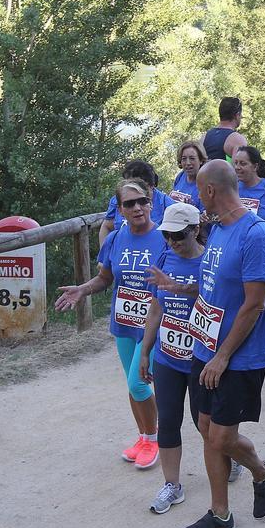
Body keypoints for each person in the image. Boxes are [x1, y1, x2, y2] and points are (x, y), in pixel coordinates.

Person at [148, 160, 265, 528]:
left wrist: (223, 356)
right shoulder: (218, 229)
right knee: (207, 430)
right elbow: (210, 286)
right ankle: (220, 514)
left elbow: (255, 304)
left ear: (209, 191)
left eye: (197, 189)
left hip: (237, 356)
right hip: (204, 348)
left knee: (221, 437)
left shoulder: (256, 234)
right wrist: (177, 287)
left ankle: (262, 471)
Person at [56, 178, 165, 470]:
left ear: (150, 203)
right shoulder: (116, 239)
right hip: (124, 323)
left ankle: (155, 440)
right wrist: (82, 289)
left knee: (138, 384)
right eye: (130, 203)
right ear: (120, 209)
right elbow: (105, 277)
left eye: (142, 201)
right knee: (132, 387)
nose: (138, 207)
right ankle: (143, 437)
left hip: (154, 325)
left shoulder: (165, 238)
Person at [137, 203, 205, 514]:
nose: (173, 240)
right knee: (168, 421)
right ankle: (172, 485)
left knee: (205, 423)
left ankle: (230, 457)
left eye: (179, 234)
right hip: (167, 357)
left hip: (201, 358)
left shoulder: (209, 261)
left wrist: (181, 287)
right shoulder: (165, 257)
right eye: (167, 234)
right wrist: (146, 351)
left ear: (195, 229)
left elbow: (217, 298)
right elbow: (156, 307)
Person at [99, 160, 173, 247]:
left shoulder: (166, 204)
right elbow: (106, 226)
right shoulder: (117, 200)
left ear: (151, 185)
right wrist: (105, 254)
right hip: (122, 254)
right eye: (129, 204)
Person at [234, 145, 265, 220]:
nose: (237, 167)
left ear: (255, 167)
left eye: (243, 163)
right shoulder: (233, 188)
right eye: (236, 163)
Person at [204, 97, 248, 161]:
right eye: (241, 114)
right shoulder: (237, 140)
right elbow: (238, 169)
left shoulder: (204, 137)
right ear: (237, 115)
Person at [171, 140, 206, 210]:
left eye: (192, 158)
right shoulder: (180, 176)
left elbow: (207, 217)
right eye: (184, 159)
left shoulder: (206, 184)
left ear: (201, 160)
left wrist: (190, 209)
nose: (188, 163)